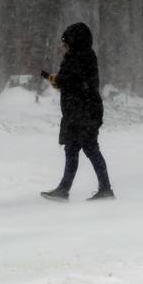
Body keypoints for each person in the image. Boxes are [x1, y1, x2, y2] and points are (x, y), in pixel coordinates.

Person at [40, 22, 115, 202]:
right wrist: (55, 79)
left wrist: (56, 79)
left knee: (88, 148)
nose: (64, 47)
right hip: (78, 111)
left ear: (75, 41)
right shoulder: (77, 56)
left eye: (67, 43)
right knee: (75, 149)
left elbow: (71, 81)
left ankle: (101, 189)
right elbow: (68, 81)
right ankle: (67, 190)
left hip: (85, 111)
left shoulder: (82, 56)